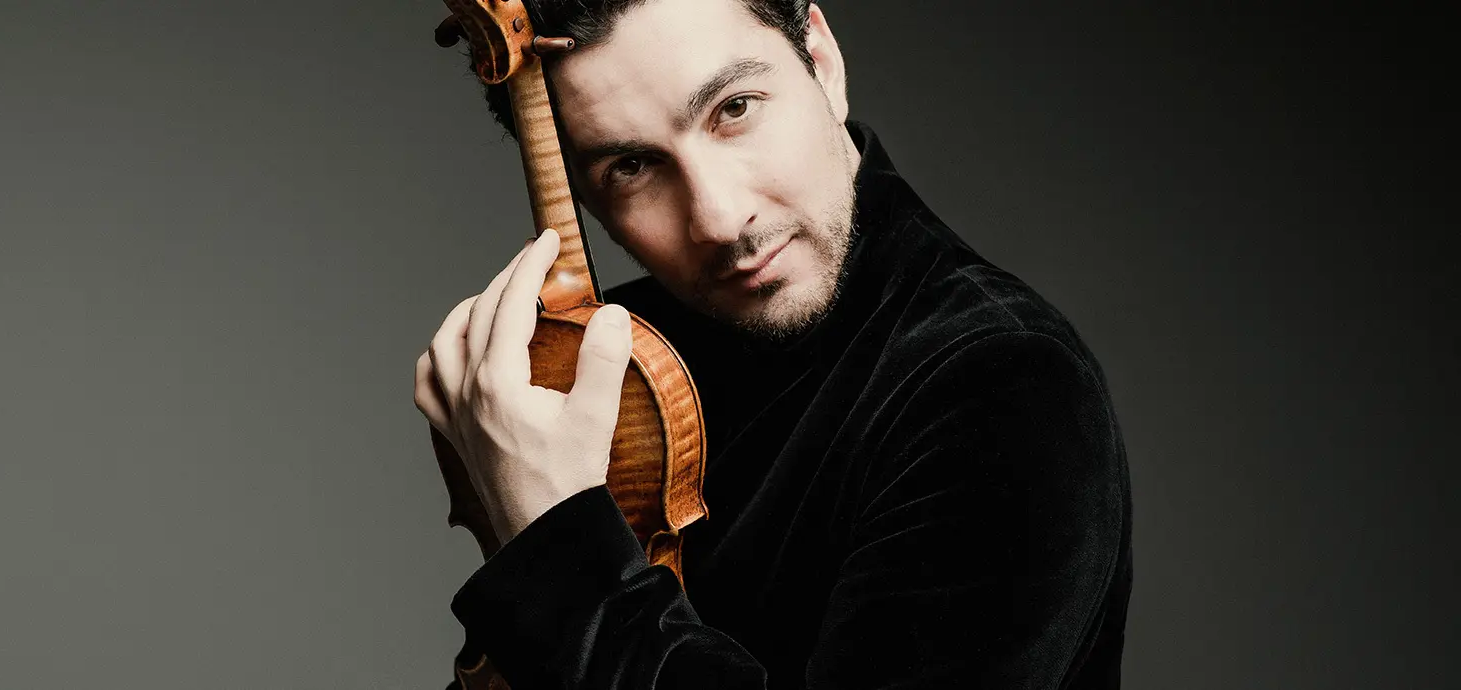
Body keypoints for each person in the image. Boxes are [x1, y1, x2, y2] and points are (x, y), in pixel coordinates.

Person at [412, 0, 1133, 687]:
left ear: (822, 59)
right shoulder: (608, 375)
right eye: (631, 167)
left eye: (734, 109)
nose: (720, 219)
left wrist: (555, 544)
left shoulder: (1003, 385)